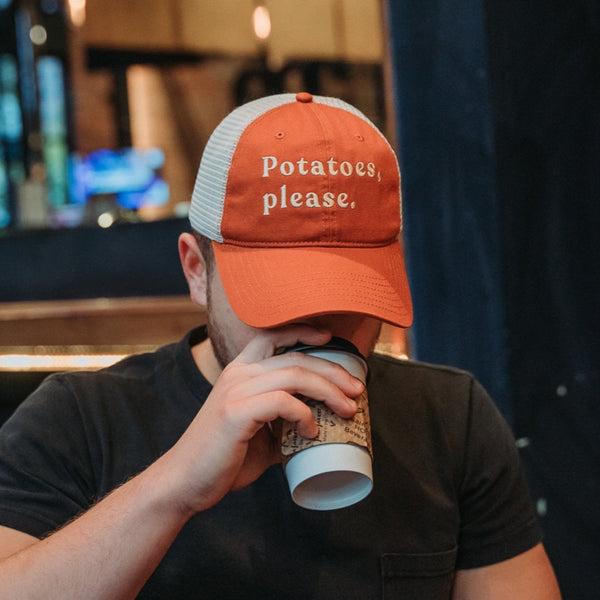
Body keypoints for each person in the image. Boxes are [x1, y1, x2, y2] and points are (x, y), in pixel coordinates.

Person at [0, 92, 561, 599]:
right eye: (278, 299)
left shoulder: (449, 419)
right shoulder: (81, 420)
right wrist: (175, 487)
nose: (315, 333)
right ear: (197, 272)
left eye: (348, 296)